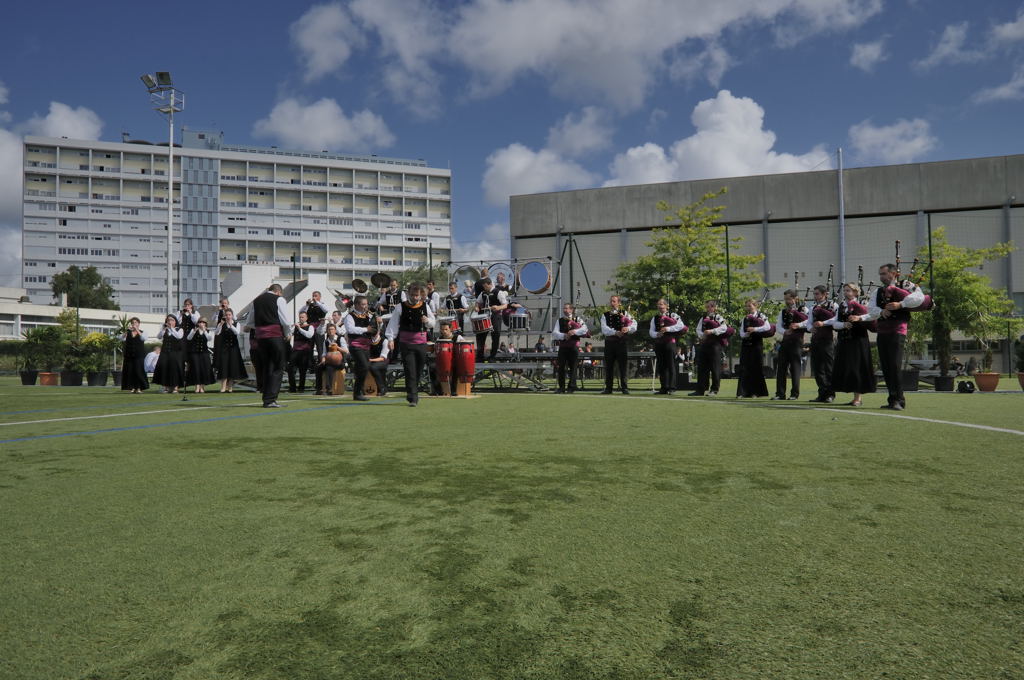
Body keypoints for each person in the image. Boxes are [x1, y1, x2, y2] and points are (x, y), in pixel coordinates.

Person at [851, 263, 924, 410]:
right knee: (886, 367)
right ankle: (892, 399)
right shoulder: (878, 291)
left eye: (884, 274)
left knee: (894, 365)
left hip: (898, 331)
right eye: (880, 274)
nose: (881, 277)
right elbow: (871, 309)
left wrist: (901, 304)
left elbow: (919, 298)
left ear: (893, 273)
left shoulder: (905, 285)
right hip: (882, 331)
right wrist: (881, 312)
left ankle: (899, 400)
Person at [385, 282, 436, 406]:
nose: (415, 297)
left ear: (420, 295)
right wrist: (391, 339)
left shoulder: (425, 306)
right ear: (408, 294)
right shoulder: (400, 307)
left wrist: (427, 321)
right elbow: (393, 324)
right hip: (406, 344)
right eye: (412, 295)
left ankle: (412, 391)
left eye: (417, 295)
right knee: (410, 370)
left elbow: (433, 323)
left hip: (421, 343)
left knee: (418, 370)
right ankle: (413, 396)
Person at [825, 283, 876, 406]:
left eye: (849, 290)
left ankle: (858, 398)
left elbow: (871, 321)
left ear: (855, 292)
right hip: (845, 341)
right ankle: (854, 397)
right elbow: (835, 323)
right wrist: (843, 325)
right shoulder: (842, 306)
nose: (846, 292)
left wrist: (859, 318)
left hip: (858, 340)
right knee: (847, 369)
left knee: (857, 368)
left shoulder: (863, 304)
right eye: (845, 290)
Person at [252, 283, 292, 408]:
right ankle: (271, 399)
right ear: (278, 292)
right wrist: (288, 334)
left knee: (267, 366)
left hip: (261, 338)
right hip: (275, 336)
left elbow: (250, 321)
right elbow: (285, 321)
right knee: (278, 367)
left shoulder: (257, 300)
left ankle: (266, 398)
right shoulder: (279, 299)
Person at [773, 289, 809, 400]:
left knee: (795, 368)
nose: (787, 301)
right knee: (781, 368)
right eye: (786, 299)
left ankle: (794, 394)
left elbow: (808, 322)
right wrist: (785, 332)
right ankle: (780, 393)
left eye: (789, 299)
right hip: (785, 341)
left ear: (795, 299)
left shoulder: (803, 309)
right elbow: (778, 326)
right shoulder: (783, 311)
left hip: (797, 341)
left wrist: (798, 325)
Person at [599, 295, 637, 394]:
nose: (612, 303)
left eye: (614, 301)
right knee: (609, 366)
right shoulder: (605, 315)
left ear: (619, 303)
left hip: (621, 343)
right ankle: (609, 388)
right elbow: (604, 329)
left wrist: (627, 329)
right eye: (611, 301)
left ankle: (624, 388)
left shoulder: (625, 313)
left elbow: (634, 325)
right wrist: (615, 332)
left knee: (623, 366)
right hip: (610, 343)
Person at [690, 300, 727, 397]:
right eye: (707, 307)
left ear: (714, 308)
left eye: (710, 307)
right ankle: (701, 389)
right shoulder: (703, 318)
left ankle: (714, 389)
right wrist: (702, 335)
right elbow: (698, 329)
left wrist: (712, 331)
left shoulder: (718, 317)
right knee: (702, 368)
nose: (708, 309)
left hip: (715, 345)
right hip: (704, 345)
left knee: (715, 368)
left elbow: (724, 328)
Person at [808, 284, 838, 403]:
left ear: (825, 294)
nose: (815, 296)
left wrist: (823, 323)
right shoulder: (813, 307)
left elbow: (836, 319)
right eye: (814, 294)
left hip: (827, 340)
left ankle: (830, 394)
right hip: (815, 340)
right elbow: (809, 321)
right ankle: (822, 393)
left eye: (817, 294)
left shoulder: (833, 305)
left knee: (828, 368)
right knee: (818, 368)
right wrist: (811, 328)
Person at [344, 296, 377, 401]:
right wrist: (365, 329)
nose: (365, 306)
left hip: (366, 345)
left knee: (361, 369)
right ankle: (358, 392)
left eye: (366, 304)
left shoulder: (369, 315)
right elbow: (350, 329)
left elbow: (373, 328)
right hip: (355, 345)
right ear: (357, 305)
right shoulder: (350, 316)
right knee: (364, 366)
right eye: (363, 304)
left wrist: (377, 323)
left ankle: (357, 393)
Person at [736, 298, 771, 398]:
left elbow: (767, 327)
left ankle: (756, 392)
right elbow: (741, 333)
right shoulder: (745, 318)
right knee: (744, 368)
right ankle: (743, 392)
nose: (748, 308)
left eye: (750, 306)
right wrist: (746, 334)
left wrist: (755, 329)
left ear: (755, 306)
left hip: (756, 344)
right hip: (746, 345)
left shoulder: (761, 316)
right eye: (746, 306)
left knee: (755, 368)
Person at [551, 303, 589, 393]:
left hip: (573, 346)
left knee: (573, 367)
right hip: (563, 347)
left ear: (571, 310)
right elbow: (555, 333)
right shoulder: (560, 320)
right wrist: (564, 335)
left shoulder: (577, 319)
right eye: (564, 308)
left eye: (567, 308)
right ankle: (561, 387)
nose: (565, 310)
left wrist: (574, 331)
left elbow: (585, 329)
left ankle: (572, 387)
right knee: (561, 367)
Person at [474, 277, 508, 362]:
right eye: (484, 287)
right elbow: (477, 302)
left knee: (495, 336)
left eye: (486, 286)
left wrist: (498, 307)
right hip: (485, 316)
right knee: (480, 336)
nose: (484, 288)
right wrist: (477, 307)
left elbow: (505, 305)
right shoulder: (483, 293)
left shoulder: (498, 292)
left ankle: (493, 356)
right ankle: (480, 356)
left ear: (490, 284)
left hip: (495, 316)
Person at [214, 308, 247, 393]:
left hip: (234, 348)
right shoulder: (222, 324)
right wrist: (220, 325)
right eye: (226, 315)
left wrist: (230, 325)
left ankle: (230, 386)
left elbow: (237, 333)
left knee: (232, 366)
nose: (228, 316)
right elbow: (217, 333)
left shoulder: (237, 323)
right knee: (224, 366)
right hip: (224, 348)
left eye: (229, 315)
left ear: (232, 315)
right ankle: (223, 386)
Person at [153, 314, 186, 394]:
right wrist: (164, 329)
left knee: (174, 369)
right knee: (164, 368)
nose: (169, 321)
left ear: (175, 321)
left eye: (171, 320)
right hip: (165, 352)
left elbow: (178, 336)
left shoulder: (179, 329)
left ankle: (175, 387)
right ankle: (165, 387)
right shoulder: (165, 329)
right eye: (168, 320)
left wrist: (171, 328)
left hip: (175, 353)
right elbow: (159, 336)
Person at [315, 324, 348, 396]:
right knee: (318, 367)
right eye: (329, 329)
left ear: (335, 330)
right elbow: (324, 353)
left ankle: (329, 388)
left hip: (339, 362)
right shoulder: (326, 341)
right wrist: (323, 359)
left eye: (332, 329)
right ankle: (319, 389)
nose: (331, 331)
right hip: (329, 361)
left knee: (329, 367)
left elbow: (346, 351)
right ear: (327, 331)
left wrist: (337, 347)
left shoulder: (340, 339)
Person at [287, 311, 315, 393]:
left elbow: (309, 335)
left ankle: (301, 388)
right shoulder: (296, 326)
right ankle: (292, 388)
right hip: (295, 351)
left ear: (306, 318)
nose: (301, 318)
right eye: (300, 317)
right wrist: (291, 327)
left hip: (304, 351)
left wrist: (299, 328)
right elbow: (289, 333)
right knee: (290, 369)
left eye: (302, 317)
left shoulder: (310, 326)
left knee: (303, 371)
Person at [300, 291, 330, 364]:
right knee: (309, 347)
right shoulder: (310, 306)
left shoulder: (322, 305)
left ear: (320, 297)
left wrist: (317, 302)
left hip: (319, 329)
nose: (314, 297)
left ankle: (321, 363)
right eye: (313, 295)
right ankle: (310, 365)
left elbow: (326, 310)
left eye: (316, 296)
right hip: (310, 328)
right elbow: (301, 312)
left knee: (320, 348)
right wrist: (307, 304)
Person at [185, 319, 214, 393]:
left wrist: (204, 331)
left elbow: (209, 338)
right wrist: (194, 331)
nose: (201, 324)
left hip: (204, 353)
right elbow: (188, 338)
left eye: (203, 322)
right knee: (196, 369)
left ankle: (202, 387)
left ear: (205, 324)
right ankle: (197, 386)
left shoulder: (208, 331)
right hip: (195, 353)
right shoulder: (194, 330)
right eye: (200, 322)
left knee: (203, 369)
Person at [121, 317, 148, 393]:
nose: (134, 324)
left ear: (139, 323)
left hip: (139, 355)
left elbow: (143, 338)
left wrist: (137, 330)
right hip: (129, 355)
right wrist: (126, 331)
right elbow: (121, 338)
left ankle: (139, 388)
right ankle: (132, 387)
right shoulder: (128, 332)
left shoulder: (143, 332)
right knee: (130, 371)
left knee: (138, 371)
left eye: (136, 322)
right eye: (133, 323)